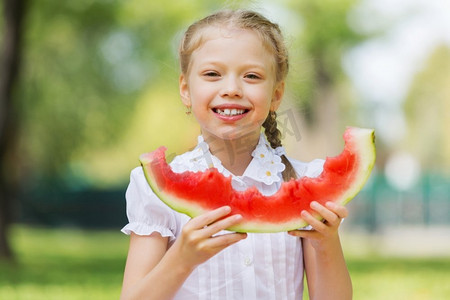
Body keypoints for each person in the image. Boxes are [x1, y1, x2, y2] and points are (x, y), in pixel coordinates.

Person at [120, 9, 352, 300]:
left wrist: (326, 242)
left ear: (276, 95)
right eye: (212, 74)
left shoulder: (306, 183)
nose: (231, 89)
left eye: (251, 76)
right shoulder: (153, 190)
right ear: (185, 90)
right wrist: (183, 257)